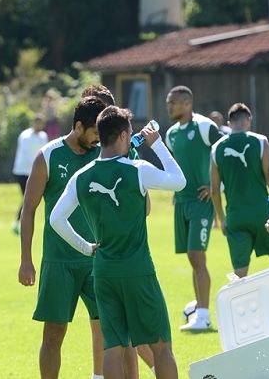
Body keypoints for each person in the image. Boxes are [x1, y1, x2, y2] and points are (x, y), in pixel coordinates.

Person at [50, 105, 185, 379]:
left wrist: (86, 248)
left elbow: (56, 219)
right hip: (138, 271)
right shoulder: (138, 169)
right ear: (123, 136)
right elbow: (179, 181)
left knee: (114, 347)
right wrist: (157, 145)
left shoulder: (81, 176)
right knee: (161, 346)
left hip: (103, 273)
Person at [20, 96, 135, 379]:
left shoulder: (104, 154)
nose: (99, 140)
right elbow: (29, 210)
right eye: (95, 133)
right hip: (59, 261)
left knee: (116, 330)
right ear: (80, 126)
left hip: (100, 260)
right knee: (54, 333)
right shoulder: (48, 156)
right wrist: (26, 260)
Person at [165, 85, 224, 331]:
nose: (169, 107)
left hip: (201, 202)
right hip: (182, 202)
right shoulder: (171, 134)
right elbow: (176, 166)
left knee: (196, 255)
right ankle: (198, 308)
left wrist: (215, 188)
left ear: (188, 103)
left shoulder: (204, 127)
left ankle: (203, 314)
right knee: (192, 257)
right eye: (168, 103)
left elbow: (226, 151)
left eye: (173, 103)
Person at [210, 103, 269, 278]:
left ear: (229, 123)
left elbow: (214, 190)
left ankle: (242, 305)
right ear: (248, 120)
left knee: (240, 273)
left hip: (236, 217)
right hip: (263, 214)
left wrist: (222, 219)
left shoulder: (216, 148)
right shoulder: (260, 141)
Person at [11, 113, 48, 235]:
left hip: (35, 172)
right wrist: (38, 166)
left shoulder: (43, 136)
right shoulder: (25, 136)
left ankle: (19, 223)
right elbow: (26, 155)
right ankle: (19, 224)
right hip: (23, 171)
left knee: (28, 198)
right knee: (27, 198)